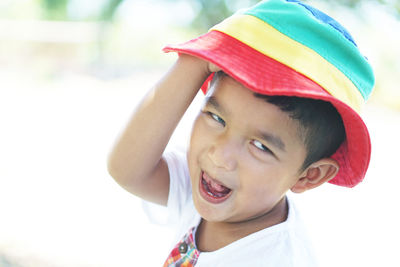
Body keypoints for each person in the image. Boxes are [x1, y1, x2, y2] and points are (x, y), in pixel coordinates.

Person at [107, 0, 374, 266]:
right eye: (216, 117)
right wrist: (197, 61)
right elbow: (128, 169)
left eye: (260, 146)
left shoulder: (278, 259)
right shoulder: (208, 188)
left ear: (309, 175)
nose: (220, 156)